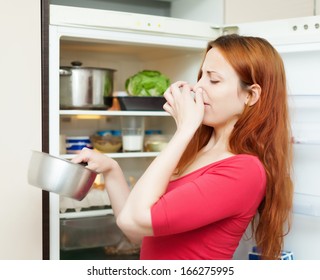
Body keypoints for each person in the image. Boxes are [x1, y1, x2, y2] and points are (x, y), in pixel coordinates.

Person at [73, 34, 293, 260]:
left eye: (213, 80)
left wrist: (185, 129)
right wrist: (111, 169)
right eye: (200, 77)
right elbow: (138, 232)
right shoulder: (198, 151)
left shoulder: (243, 171)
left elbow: (136, 219)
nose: (198, 87)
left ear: (251, 95)